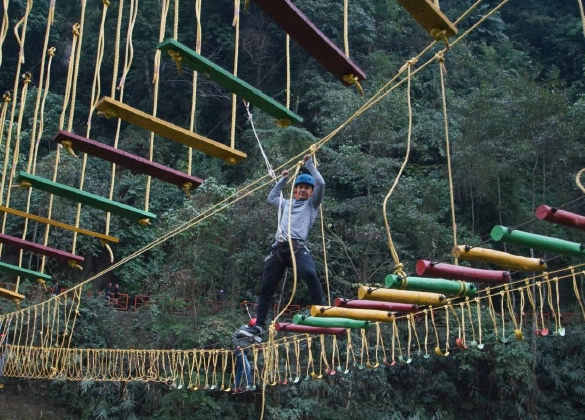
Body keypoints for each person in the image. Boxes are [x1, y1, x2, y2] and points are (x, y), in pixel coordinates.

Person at [240, 154, 325, 338]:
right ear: (295, 190)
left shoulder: (312, 205)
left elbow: (321, 183)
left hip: (297, 247)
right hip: (278, 249)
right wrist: (283, 180)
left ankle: (323, 312)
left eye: (306, 188)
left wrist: (309, 164)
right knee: (266, 288)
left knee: (310, 274)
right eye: (300, 187)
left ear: (311, 192)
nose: (303, 190)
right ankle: (259, 326)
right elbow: (272, 198)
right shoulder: (285, 204)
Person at [231, 318, 261, 393]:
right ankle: (249, 385)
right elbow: (233, 336)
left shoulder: (255, 333)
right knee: (247, 367)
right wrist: (237, 345)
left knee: (240, 371)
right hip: (239, 351)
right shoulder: (243, 328)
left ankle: (235, 387)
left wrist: (257, 345)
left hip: (245, 352)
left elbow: (256, 341)